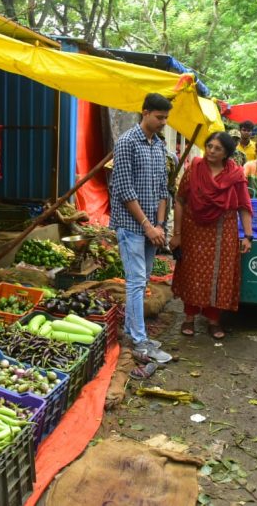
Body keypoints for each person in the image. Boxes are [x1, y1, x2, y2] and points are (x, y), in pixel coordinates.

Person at [110, 92, 173, 369]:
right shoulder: (126, 143)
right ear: (145, 112)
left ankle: (132, 331)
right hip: (131, 226)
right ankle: (138, 339)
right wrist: (148, 226)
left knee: (142, 281)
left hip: (151, 229)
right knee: (135, 282)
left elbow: (163, 190)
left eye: (165, 119)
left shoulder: (159, 146)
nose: (163, 123)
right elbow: (124, 190)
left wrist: (159, 225)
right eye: (159, 117)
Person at [171, 132, 254, 339]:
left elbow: (244, 206)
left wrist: (248, 235)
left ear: (227, 153)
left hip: (222, 229)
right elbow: (180, 200)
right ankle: (189, 318)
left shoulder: (235, 175)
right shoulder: (195, 169)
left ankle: (213, 320)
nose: (211, 151)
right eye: (209, 146)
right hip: (193, 228)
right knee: (191, 270)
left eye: (217, 148)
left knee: (219, 274)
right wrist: (177, 234)